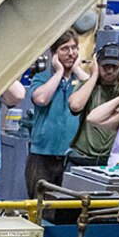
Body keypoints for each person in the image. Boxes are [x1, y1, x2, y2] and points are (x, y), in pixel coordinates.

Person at [25, 30, 87, 196]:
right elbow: (41, 99)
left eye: (74, 48)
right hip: (42, 156)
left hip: (73, 158)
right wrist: (59, 72)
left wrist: (78, 71)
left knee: (69, 207)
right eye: (64, 49)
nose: (71, 53)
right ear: (54, 53)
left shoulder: (82, 80)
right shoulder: (42, 78)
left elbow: (94, 94)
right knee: (39, 204)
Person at [67, 44, 119, 168]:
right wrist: (94, 75)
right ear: (96, 64)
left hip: (112, 160)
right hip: (83, 156)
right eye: (105, 66)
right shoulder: (87, 86)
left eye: (115, 67)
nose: (110, 71)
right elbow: (75, 106)